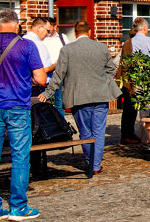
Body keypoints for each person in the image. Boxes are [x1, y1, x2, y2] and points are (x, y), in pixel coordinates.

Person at [0, 7, 46, 222]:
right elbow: (41, 79)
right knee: (20, 157)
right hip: (18, 107)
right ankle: (18, 208)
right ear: (17, 25)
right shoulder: (26, 45)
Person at [39, 21, 120, 174]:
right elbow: (111, 69)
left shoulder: (67, 50)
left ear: (75, 33)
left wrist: (47, 93)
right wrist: (105, 81)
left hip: (78, 97)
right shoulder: (101, 47)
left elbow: (59, 74)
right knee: (99, 131)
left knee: (85, 132)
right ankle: (95, 166)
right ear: (89, 32)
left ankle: (91, 163)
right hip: (100, 95)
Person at [120, 18, 150, 144]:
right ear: (144, 28)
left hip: (132, 81)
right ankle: (146, 138)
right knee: (145, 110)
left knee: (130, 108)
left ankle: (127, 134)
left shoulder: (127, 43)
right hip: (147, 79)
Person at [23, 17, 55, 97]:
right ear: (40, 28)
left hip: (23, 87)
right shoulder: (38, 43)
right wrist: (56, 65)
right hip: (37, 89)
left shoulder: (22, 40)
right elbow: (44, 69)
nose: (48, 35)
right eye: (47, 31)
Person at [41, 16, 66, 114]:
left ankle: (61, 126)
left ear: (54, 26)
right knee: (44, 102)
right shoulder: (42, 39)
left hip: (59, 75)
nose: (47, 29)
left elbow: (68, 53)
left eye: (48, 26)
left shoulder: (62, 38)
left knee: (59, 103)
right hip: (44, 75)